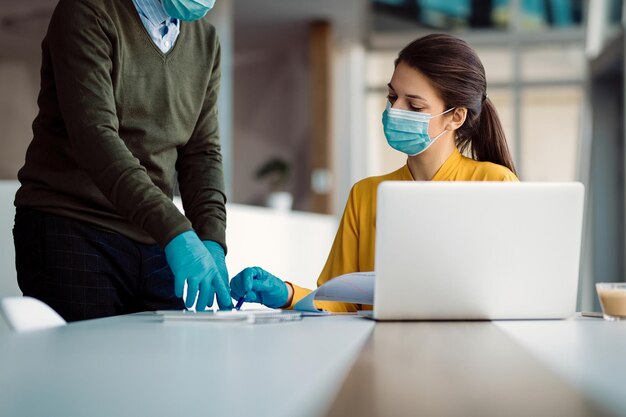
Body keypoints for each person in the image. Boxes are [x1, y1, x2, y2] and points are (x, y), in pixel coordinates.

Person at [230, 33, 519, 312]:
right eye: (392, 96)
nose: (395, 110)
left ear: (455, 117)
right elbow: (338, 300)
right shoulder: (366, 194)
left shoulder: (495, 184)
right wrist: (286, 293)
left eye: (414, 105)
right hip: (378, 352)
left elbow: (515, 292)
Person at [13, 0, 234, 322]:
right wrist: (177, 233)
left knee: (163, 368)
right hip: (74, 225)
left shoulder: (205, 40)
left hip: (154, 236)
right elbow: (96, 136)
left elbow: (202, 152)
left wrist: (212, 238)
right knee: (87, 368)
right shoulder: (88, 10)